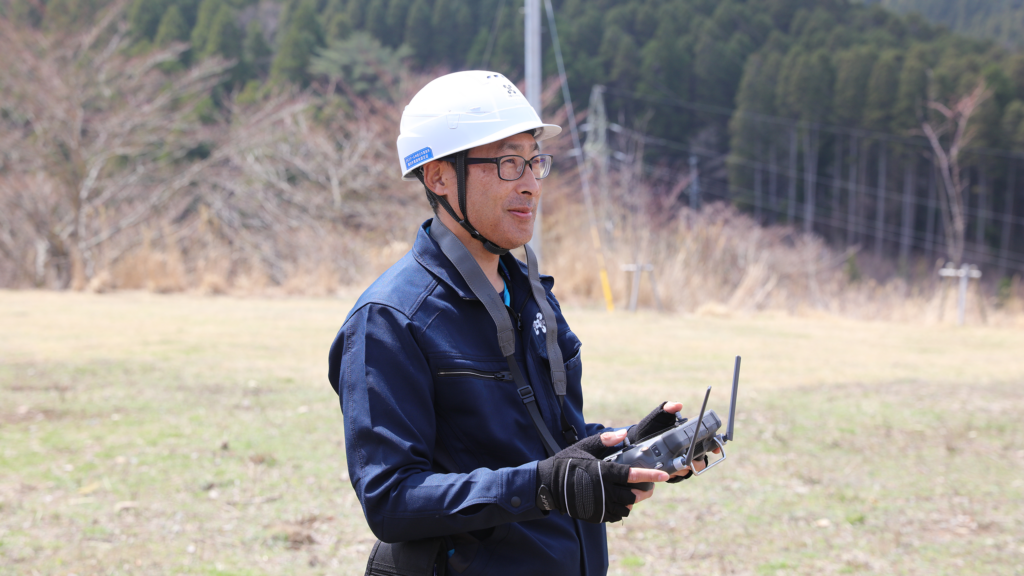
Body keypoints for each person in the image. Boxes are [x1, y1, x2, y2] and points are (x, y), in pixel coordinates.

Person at [328, 71, 709, 576]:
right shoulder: (390, 320)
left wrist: (628, 445)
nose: (530, 183)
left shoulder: (531, 295)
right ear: (439, 177)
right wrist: (544, 487)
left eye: (534, 161)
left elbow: (549, 442)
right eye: (508, 163)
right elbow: (391, 499)